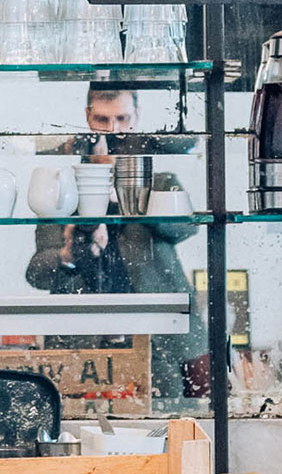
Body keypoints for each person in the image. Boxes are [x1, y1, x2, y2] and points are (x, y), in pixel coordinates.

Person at [24, 83, 206, 400]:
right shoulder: (62, 186)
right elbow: (37, 272)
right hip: (83, 343)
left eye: (122, 119)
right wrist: (68, 254)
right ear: (87, 118)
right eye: (103, 120)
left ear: (137, 117)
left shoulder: (158, 179)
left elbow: (187, 227)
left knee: (166, 411)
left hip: (158, 335)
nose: (114, 130)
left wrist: (132, 197)